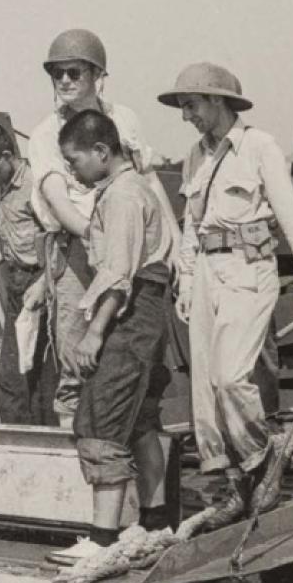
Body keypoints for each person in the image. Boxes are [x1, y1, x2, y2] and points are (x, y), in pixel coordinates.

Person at [157, 63, 293, 528]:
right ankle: (232, 488)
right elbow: (190, 227)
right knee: (205, 389)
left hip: (249, 269)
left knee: (230, 377)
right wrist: (186, 282)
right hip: (205, 272)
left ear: (218, 101)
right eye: (182, 107)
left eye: (191, 105)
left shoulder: (260, 147)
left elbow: (292, 219)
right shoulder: (193, 156)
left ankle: (261, 462)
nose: (186, 115)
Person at [27, 29, 182, 425]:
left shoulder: (123, 119)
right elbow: (58, 201)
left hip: (132, 248)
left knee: (137, 357)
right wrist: (101, 241)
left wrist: (176, 245)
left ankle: (134, 459)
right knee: (77, 360)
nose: (64, 81)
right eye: (56, 73)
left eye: (73, 72)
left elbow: (147, 181)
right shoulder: (46, 135)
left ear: (98, 75)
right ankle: (76, 456)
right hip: (80, 252)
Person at [49, 110, 174, 563]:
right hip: (150, 316)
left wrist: (93, 335)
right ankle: (157, 524)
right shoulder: (136, 189)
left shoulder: (121, 197)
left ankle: (102, 541)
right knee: (140, 421)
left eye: (74, 159)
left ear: (102, 152)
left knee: (100, 420)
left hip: (128, 316)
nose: (71, 169)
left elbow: (118, 276)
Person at [0, 123, 59, 426]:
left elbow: (61, 240)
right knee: (13, 382)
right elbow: (12, 243)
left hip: (40, 289)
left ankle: (40, 445)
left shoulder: (36, 184)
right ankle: (23, 442)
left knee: (39, 382)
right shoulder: (1, 187)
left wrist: (44, 285)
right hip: (18, 288)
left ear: (7, 156)